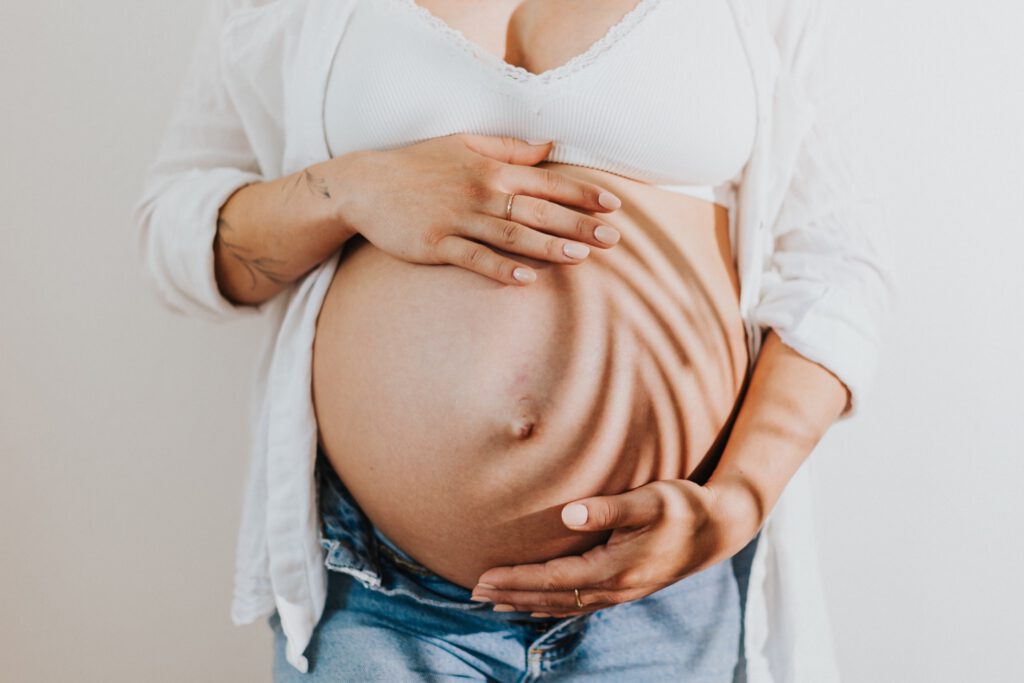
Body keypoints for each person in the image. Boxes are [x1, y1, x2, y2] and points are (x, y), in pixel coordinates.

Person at [133, 0, 894, 681]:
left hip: (661, 599)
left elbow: (834, 268)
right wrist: (350, 189)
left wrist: (733, 503)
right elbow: (174, 232)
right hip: (381, 600)